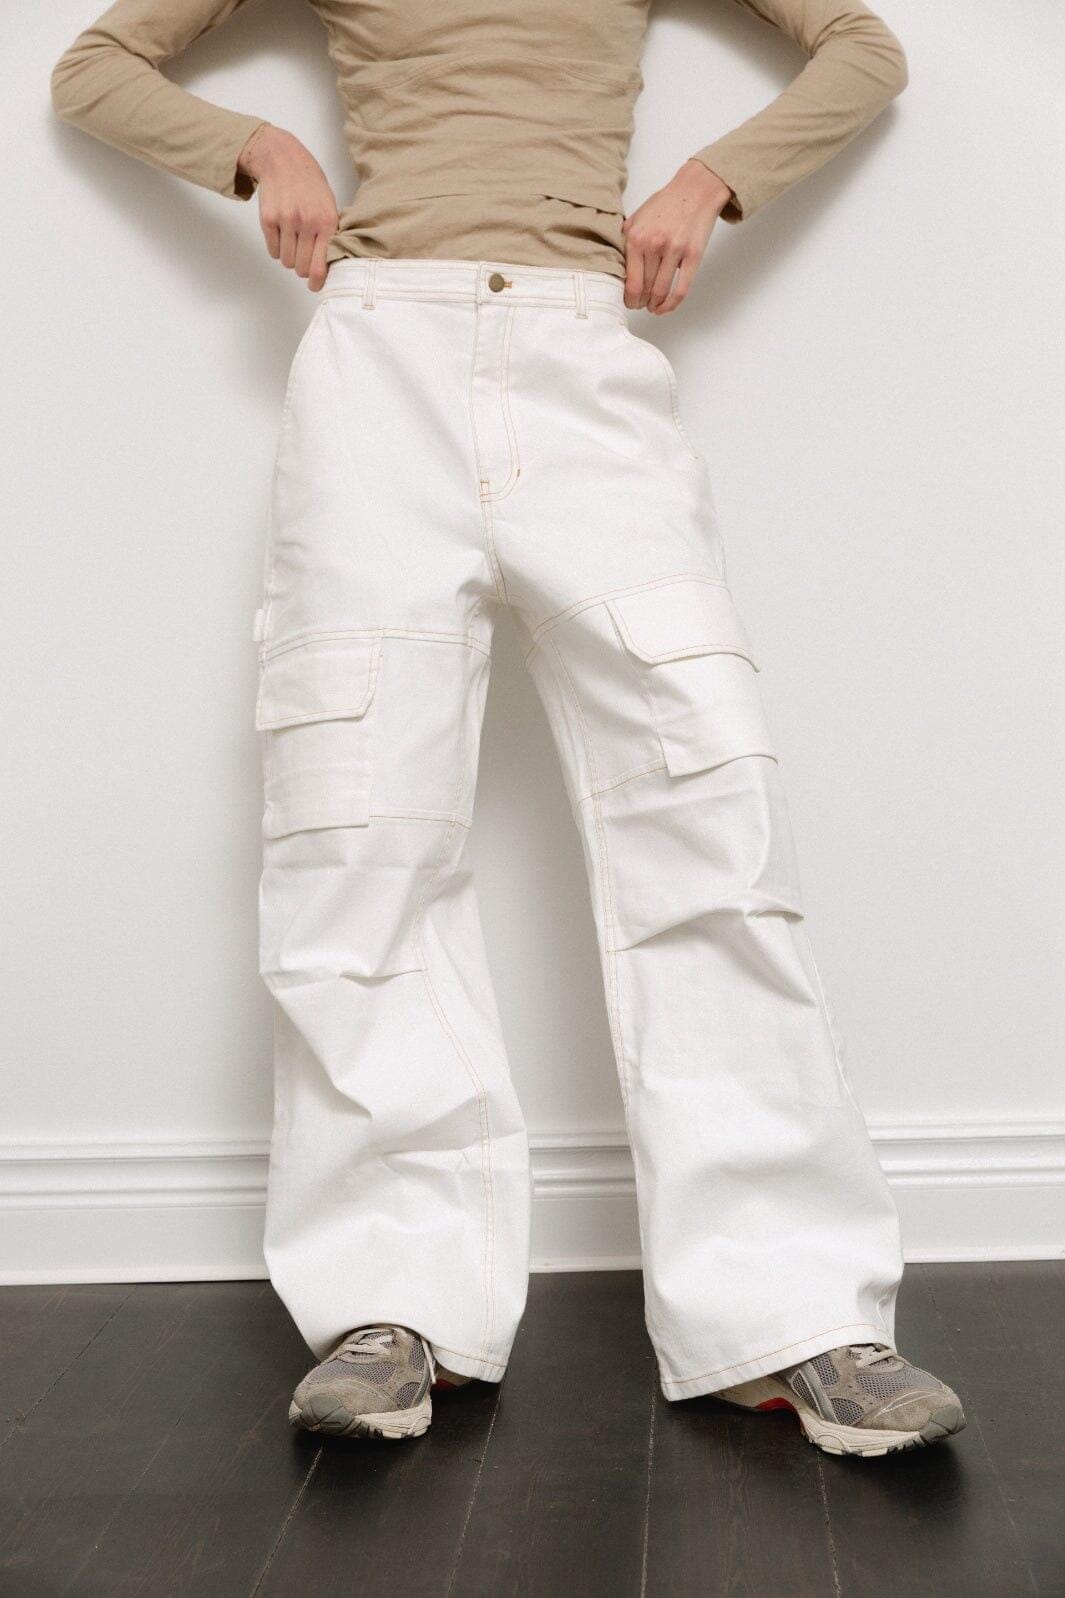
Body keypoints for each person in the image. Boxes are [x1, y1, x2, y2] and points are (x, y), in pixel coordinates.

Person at [50, 0, 965, 1459]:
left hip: (584, 361)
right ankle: (392, 1301)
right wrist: (258, 146)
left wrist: (708, 180)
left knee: (707, 817)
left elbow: (861, 45)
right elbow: (95, 65)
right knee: (359, 831)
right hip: (378, 366)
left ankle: (792, 1313)